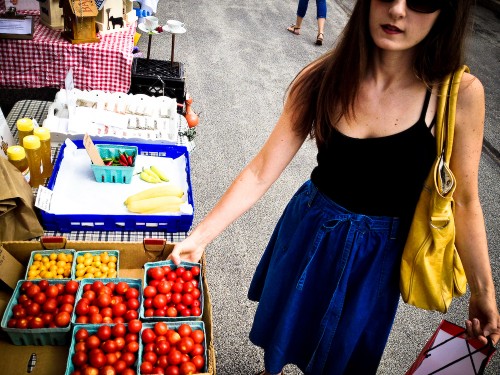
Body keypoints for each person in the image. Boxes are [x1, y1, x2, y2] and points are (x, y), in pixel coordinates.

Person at [170, 0, 500, 373]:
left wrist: (483, 292)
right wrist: (199, 238)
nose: (396, 10)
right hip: (311, 226)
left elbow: (466, 201)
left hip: (378, 255)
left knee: (340, 354)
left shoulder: (458, 94)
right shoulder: (322, 76)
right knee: (287, 328)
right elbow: (262, 169)